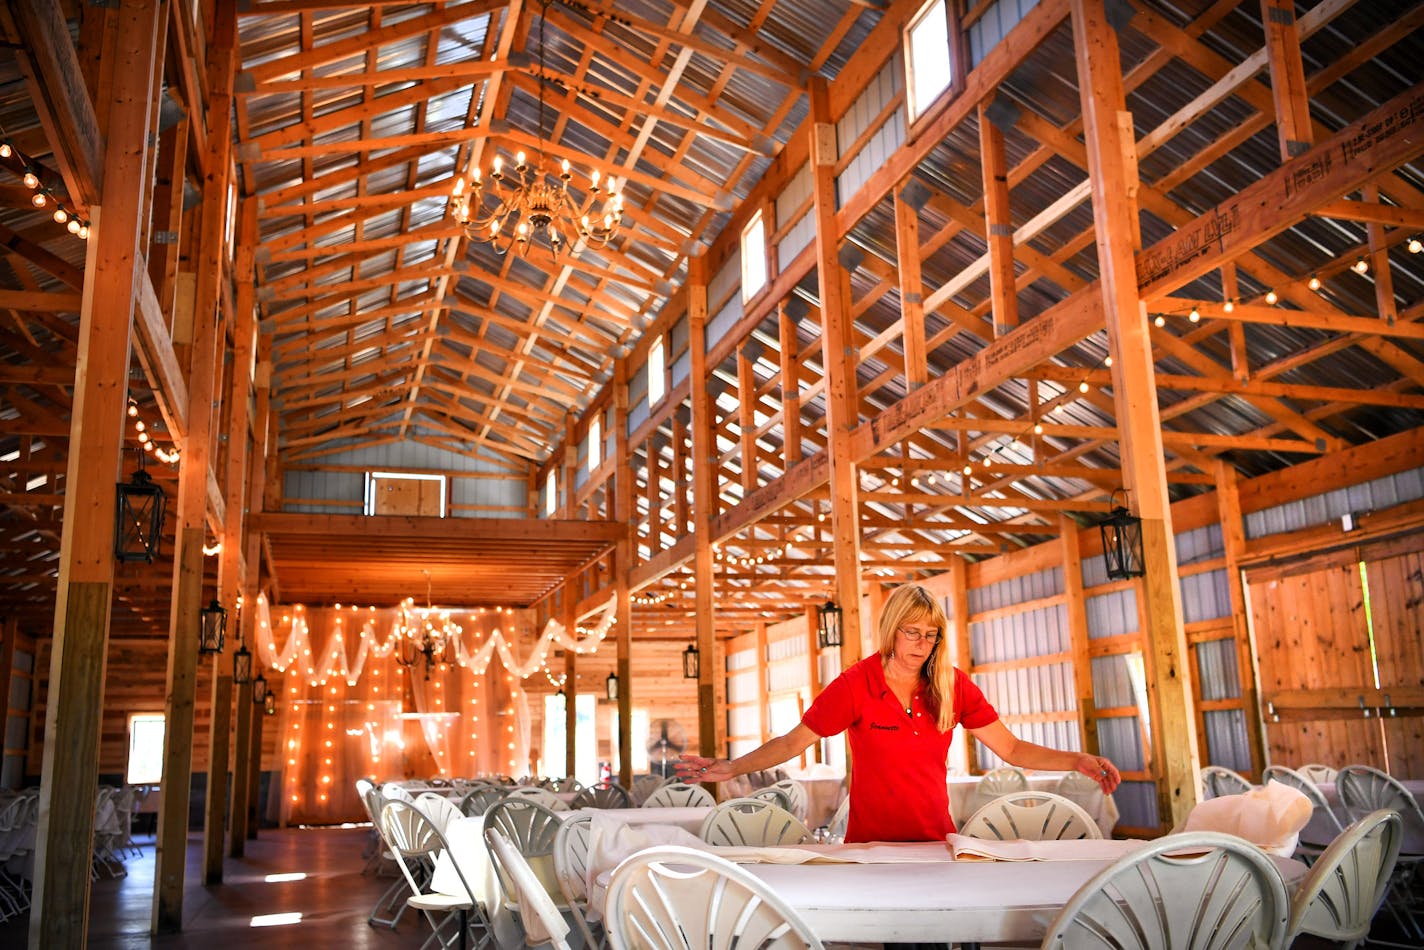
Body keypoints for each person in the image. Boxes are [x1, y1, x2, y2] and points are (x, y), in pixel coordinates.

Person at [677, 582, 1121, 843]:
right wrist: (731, 767)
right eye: (912, 632)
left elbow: (1011, 748)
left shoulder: (952, 684)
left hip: (936, 841)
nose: (922, 644)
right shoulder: (857, 684)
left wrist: (1076, 761)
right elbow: (794, 742)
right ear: (892, 630)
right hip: (870, 846)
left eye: (931, 635)